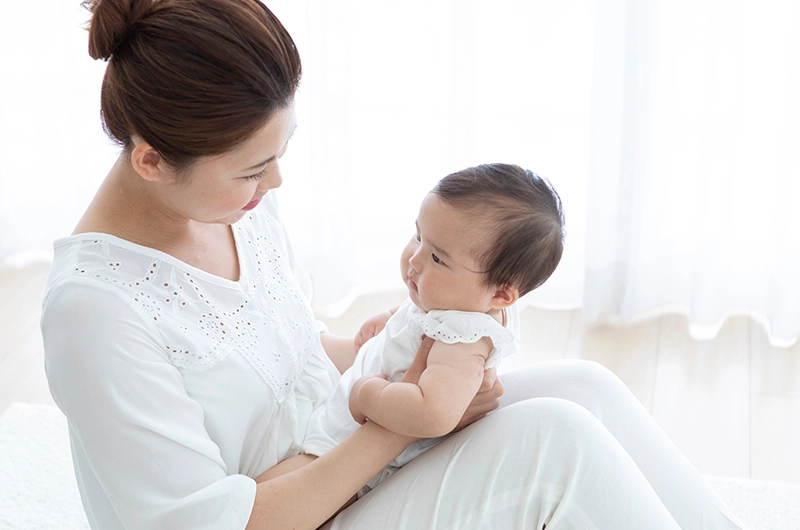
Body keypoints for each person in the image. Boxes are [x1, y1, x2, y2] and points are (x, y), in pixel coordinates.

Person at [41, 0, 746, 528]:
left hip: (340, 452)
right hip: (294, 510)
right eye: (257, 169)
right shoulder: (96, 313)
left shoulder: (227, 202)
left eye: (279, 156)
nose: (275, 185)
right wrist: (403, 420)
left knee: (584, 390)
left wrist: (355, 348)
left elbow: (253, 347)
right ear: (153, 160)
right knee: (554, 445)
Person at [302, 163, 564, 496]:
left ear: (500, 293)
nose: (415, 259)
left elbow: (433, 412)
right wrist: (391, 317)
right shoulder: (461, 298)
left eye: (438, 258)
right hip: (338, 418)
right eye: (418, 236)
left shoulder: (463, 342)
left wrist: (367, 395)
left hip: (356, 455)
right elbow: (424, 319)